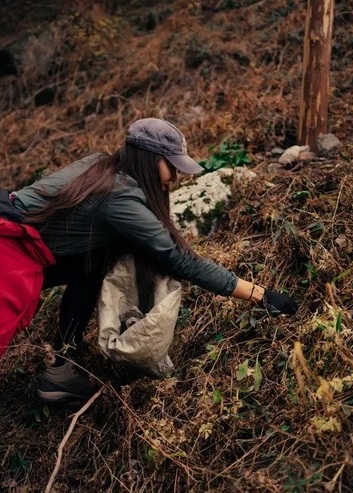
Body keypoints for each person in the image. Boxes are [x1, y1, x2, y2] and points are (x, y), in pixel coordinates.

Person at [3, 118, 298, 404]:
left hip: (20, 246)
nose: (174, 176)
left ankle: (61, 368)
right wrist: (260, 294)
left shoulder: (101, 167)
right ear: (149, 160)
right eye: (171, 165)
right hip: (9, 254)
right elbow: (181, 261)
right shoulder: (119, 198)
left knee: (92, 265)